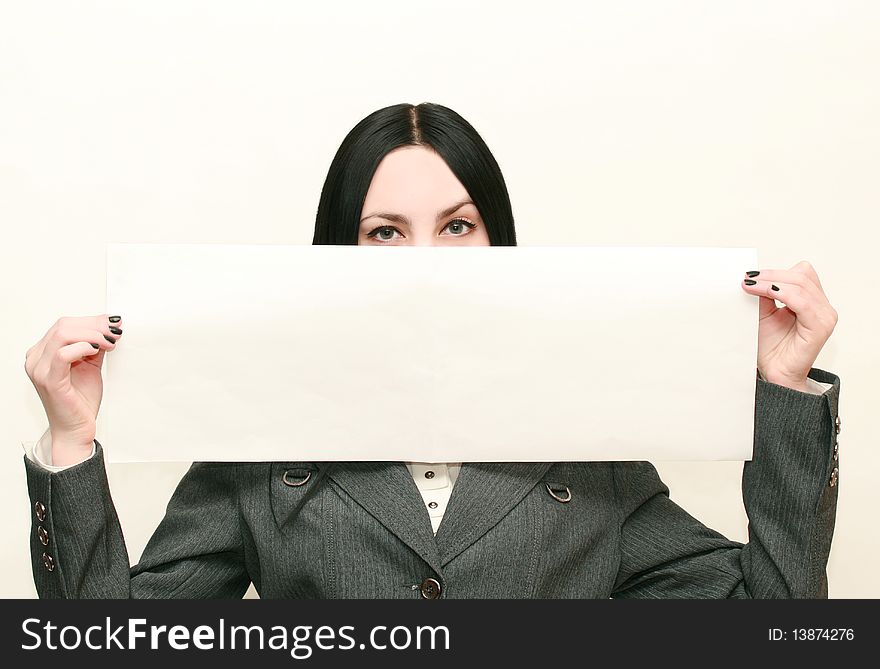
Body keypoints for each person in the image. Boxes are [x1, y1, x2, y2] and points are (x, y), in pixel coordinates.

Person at [21, 102, 841, 599]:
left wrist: (783, 388)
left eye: (456, 226)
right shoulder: (263, 451)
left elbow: (778, 620)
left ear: (497, 243)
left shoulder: (591, 451)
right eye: (385, 232)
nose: (425, 260)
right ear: (339, 252)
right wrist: (70, 444)